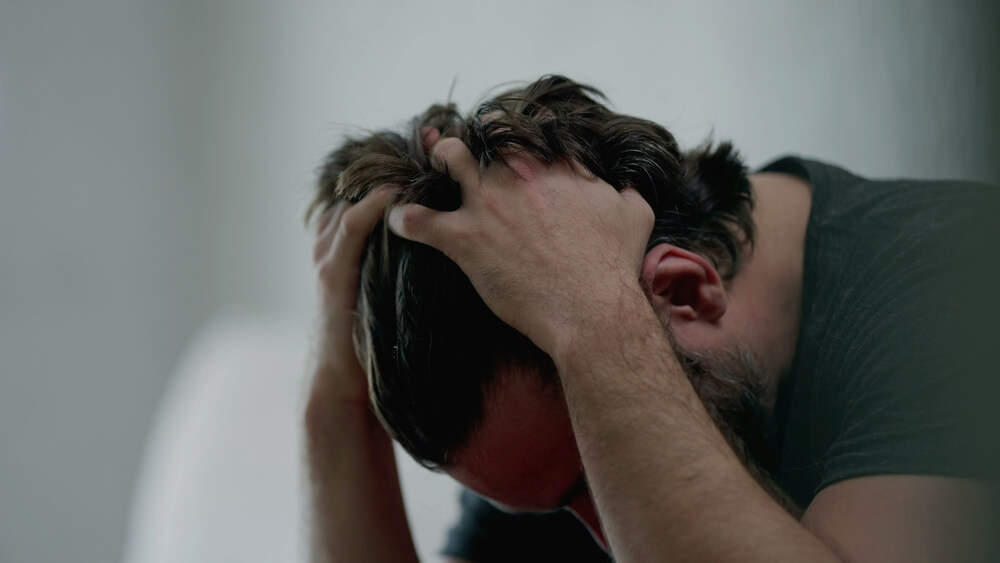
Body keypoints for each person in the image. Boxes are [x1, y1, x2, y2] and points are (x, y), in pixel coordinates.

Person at [303, 75, 998, 562]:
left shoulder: (956, 290)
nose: (604, 542)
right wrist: (334, 406)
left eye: (586, 486)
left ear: (687, 291)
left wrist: (598, 320)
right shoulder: (535, 417)